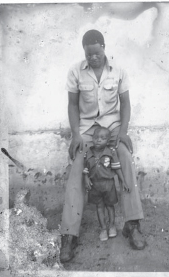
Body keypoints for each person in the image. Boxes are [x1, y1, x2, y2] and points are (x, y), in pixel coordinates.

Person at [60, 29, 146, 263]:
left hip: (112, 128)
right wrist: (76, 135)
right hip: (87, 130)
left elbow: (126, 103)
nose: (93, 58)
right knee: (78, 166)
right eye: (88, 55)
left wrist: (124, 131)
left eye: (96, 53)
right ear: (84, 52)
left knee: (125, 159)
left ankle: (132, 224)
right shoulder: (75, 71)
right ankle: (69, 234)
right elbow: (72, 105)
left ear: (104, 47)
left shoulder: (118, 71)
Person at [83, 126, 130, 241]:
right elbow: (85, 168)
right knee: (99, 207)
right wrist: (86, 178)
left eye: (103, 138)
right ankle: (103, 229)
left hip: (108, 185)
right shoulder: (88, 152)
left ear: (108, 141)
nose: (98, 140)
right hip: (95, 185)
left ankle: (112, 226)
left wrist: (123, 181)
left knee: (110, 206)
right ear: (92, 138)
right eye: (96, 137)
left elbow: (117, 168)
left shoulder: (111, 152)